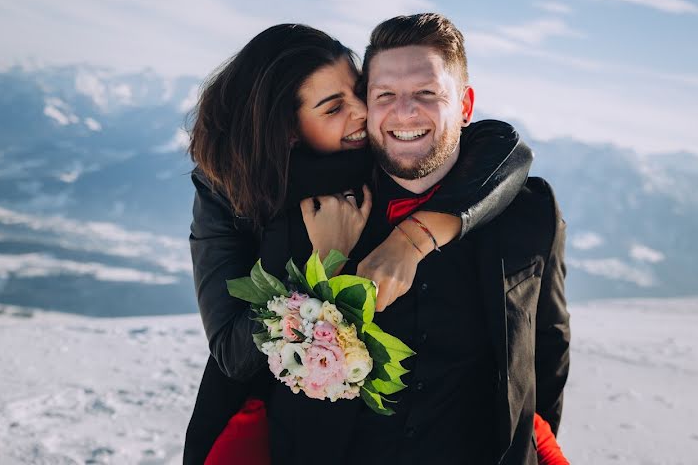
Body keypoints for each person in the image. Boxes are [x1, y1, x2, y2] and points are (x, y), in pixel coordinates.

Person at [183, 23, 567, 464]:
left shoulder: (523, 207)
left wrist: (415, 237)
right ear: (290, 130)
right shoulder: (293, 207)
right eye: (380, 95)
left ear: (463, 105)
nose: (383, 114)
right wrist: (326, 264)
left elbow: (547, 345)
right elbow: (237, 354)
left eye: (426, 93)